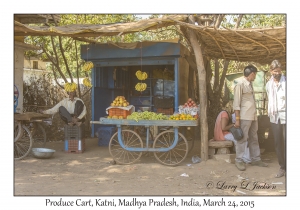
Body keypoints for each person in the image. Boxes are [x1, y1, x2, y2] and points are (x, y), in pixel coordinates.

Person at [233, 65, 268, 171]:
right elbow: (236, 104)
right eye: (255, 74)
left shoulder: (250, 84)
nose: (255, 77)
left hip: (253, 116)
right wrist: (237, 120)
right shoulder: (240, 84)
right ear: (252, 74)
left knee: (254, 138)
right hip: (244, 117)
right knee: (242, 139)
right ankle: (239, 160)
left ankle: (256, 159)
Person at [265, 60, 286, 178]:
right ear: (271, 71)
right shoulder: (269, 84)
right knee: (278, 143)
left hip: (286, 116)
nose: (277, 73)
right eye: (274, 71)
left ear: (281, 71)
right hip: (274, 117)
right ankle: (282, 167)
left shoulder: (287, 81)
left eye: (278, 71)